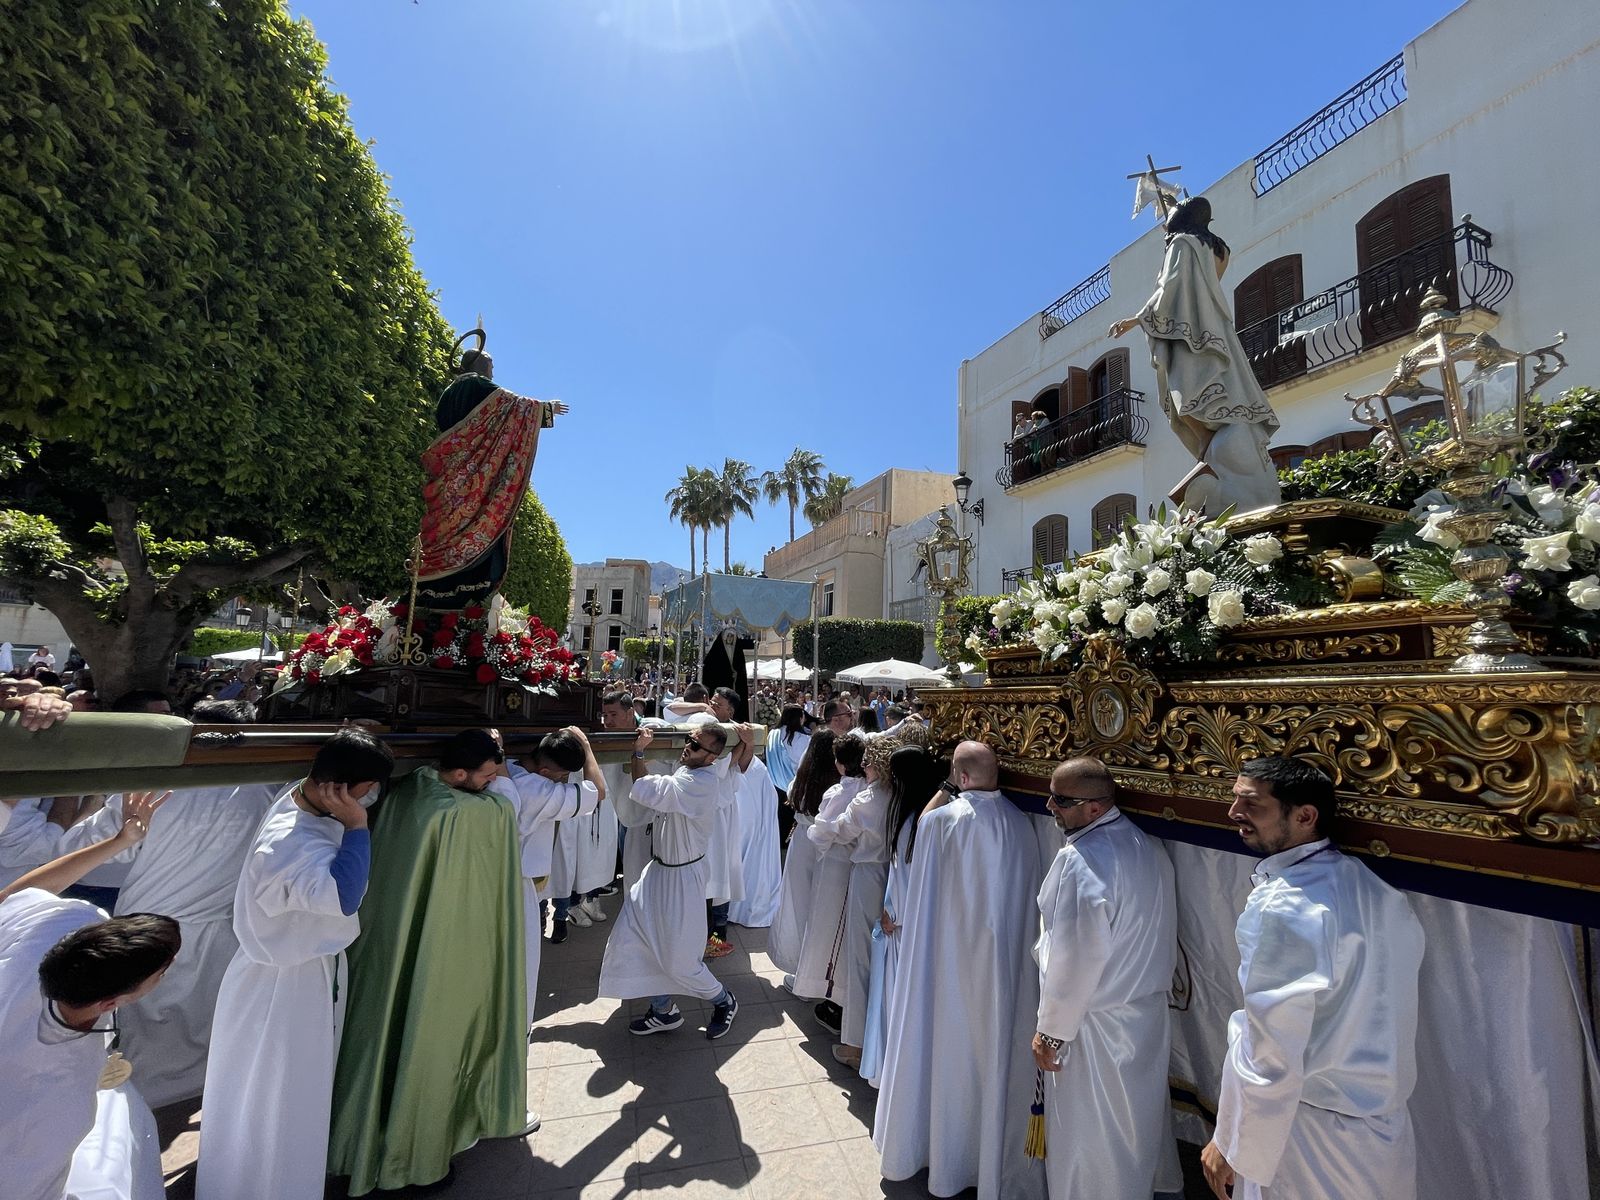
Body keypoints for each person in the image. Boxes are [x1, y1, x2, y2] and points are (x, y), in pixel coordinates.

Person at [6, 699, 281, 1107]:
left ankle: (129, 1106)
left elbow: (81, 854)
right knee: (195, 1031)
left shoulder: (151, 788)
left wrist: (116, 825)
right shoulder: (270, 788)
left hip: (150, 927)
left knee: (140, 1040)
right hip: (212, 932)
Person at [328, 728, 550, 1194]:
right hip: (445, 949)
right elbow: (502, 808)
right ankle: (411, 1156)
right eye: (488, 775)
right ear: (461, 772)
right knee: (429, 1031)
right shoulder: (462, 814)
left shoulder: (414, 788)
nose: (494, 782)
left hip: (386, 945)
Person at [1201, 756, 1425, 1200]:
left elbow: (1271, 1051)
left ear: (1305, 816)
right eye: (1234, 799)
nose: (1233, 814)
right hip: (1381, 1132)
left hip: (1310, 1135)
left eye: (1251, 804)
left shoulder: (1285, 906)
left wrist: (1234, 1143)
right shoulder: (1376, 891)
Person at [196, 730, 390, 1200]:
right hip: (285, 983)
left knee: (266, 1089)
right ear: (340, 791)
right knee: (279, 1094)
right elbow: (344, 897)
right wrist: (358, 827)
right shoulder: (288, 845)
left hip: (289, 971)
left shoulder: (301, 795)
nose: (373, 798)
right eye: (367, 790)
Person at [873, 740, 1045, 1200]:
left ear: (961, 778)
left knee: (946, 1055)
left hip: (947, 964)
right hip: (1003, 973)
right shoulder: (1021, 825)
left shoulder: (941, 822)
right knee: (991, 1059)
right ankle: (985, 1163)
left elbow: (918, 883)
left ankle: (940, 1158)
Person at [0, 790, 173, 1200]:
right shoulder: (49, 1104)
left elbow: (15, 895)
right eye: (161, 974)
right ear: (111, 1003)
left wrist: (119, 842)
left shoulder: (55, 927)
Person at [1032, 756, 1179, 1199]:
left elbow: (1074, 957)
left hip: (1093, 1029)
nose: (1049, 807)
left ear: (1095, 808)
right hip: (1144, 1019)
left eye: (1060, 800)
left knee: (1089, 1140)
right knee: (1136, 1130)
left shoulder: (1081, 861)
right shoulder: (1147, 846)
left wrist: (1051, 1032)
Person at [1110, 196, 1281, 514]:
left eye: (1169, 216)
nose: (1165, 222)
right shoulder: (1219, 249)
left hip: (1187, 330)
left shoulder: (1181, 243)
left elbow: (1171, 285)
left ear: (1180, 219)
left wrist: (1136, 319)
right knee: (1211, 392)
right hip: (1214, 324)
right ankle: (1212, 455)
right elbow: (1203, 280)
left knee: (1183, 405)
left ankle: (1209, 454)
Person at [598, 724, 740, 1040]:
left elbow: (646, 787)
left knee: (680, 960)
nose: (688, 747)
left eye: (697, 746)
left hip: (683, 878)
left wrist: (638, 751)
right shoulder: (687, 770)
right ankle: (663, 1011)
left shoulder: (701, 782)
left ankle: (723, 1000)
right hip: (658, 872)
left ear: (713, 757)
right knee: (635, 938)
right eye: (689, 741)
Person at [414, 332, 567, 609]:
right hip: (472, 482)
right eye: (490, 364)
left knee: (446, 529)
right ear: (477, 365)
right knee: (482, 527)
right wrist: (546, 408)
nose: (493, 369)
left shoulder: (447, 395)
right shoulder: (477, 386)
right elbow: (513, 406)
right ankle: (470, 594)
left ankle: (432, 592)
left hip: (449, 476)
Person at [489, 729, 603, 1031]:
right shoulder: (539, 791)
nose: (564, 780)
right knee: (519, 964)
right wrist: (587, 748)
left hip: (493, 879)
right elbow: (598, 792)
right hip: (517, 887)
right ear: (545, 771)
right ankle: (514, 1029)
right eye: (563, 775)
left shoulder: (509, 768)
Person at [808, 734, 901, 1068]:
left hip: (867, 875)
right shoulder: (899, 794)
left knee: (861, 957)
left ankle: (857, 1044)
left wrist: (817, 828)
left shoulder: (869, 798)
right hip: (894, 876)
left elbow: (841, 831)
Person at [860, 745, 941, 1087]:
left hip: (902, 927)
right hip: (913, 923)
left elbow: (909, 875)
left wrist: (894, 914)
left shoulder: (913, 822)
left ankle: (894, 1074)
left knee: (895, 1001)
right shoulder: (923, 816)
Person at [791, 733, 866, 1035]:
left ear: (839, 763)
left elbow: (821, 833)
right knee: (847, 933)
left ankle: (830, 995)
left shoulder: (841, 791)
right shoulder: (871, 788)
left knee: (826, 929)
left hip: (834, 866)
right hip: (857, 869)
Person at [767, 728, 840, 983]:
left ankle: (801, 969)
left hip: (802, 844)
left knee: (799, 906)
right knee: (822, 910)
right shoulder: (838, 786)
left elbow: (791, 795)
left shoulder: (801, 779)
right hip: (829, 848)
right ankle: (818, 972)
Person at [690, 686, 751, 956]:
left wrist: (746, 743)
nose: (712, 706)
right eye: (711, 701)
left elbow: (741, 765)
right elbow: (717, 767)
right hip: (702, 811)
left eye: (718, 704)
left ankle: (718, 933)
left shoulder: (737, 730)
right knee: (703, 871)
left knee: (721, 870)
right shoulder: (701, 727)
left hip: (723, 813)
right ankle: (698, 934)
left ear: (731, 711)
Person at [764, 704, 811, 849]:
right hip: (793, 784)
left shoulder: (772, 734)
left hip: (774, 783)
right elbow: (803, 763)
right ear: (799, 718)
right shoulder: (803, 739)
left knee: (777, 818)